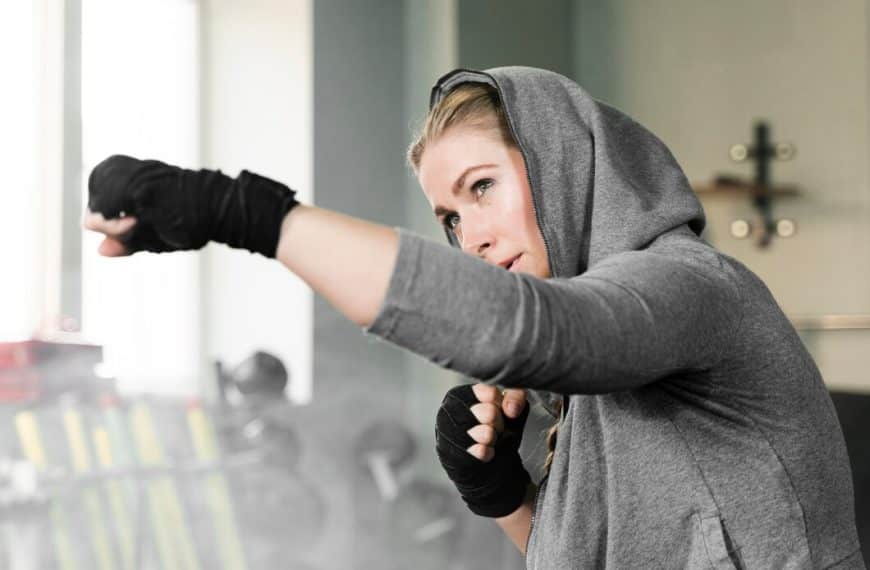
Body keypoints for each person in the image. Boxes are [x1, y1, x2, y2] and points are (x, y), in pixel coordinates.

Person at [82, 66, 864, 569]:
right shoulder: (578, 400)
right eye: (450, 216)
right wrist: (508, 500)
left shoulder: (691, 289)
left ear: (563, 160)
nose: (471, 235)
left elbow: (531, 328)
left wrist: (247, 215)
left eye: (483, 186)